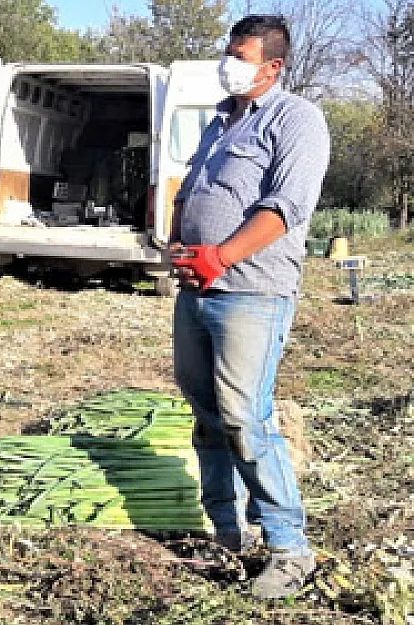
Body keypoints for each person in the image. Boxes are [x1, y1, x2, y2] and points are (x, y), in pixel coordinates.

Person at [169, 15, 330, 600]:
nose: (226, 62)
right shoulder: (219, 121)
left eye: (239, 54)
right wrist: (178, 240)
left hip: (252, 290)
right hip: (196, 291)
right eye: (227, 51)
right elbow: (192, 191)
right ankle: (226, 531)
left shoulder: (297, 120)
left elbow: (286, 206)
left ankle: (289, 549)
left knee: (245, 417)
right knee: (206, 412)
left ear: (272, 66)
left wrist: (222, 257)